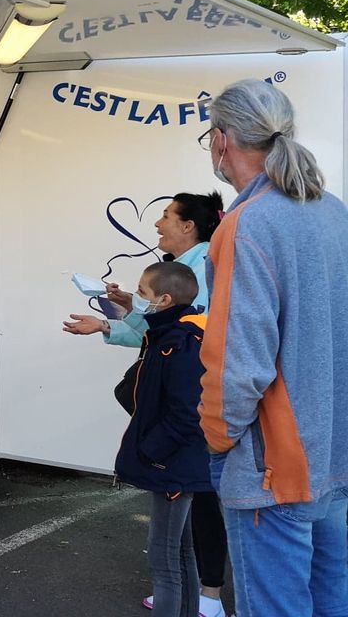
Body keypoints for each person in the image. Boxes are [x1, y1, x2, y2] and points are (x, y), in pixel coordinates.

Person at [198, 79, 348, 617]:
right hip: (331, 450)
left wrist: (216, 437)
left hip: (274, 465)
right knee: (332, 600)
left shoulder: (247, 223)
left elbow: (239, 364)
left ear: (222, 140)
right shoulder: (332, 210)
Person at [62, 192, 231, 617]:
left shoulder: (204, 271)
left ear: (188, 225)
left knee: (195, 514)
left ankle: (208, 597)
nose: (158, 223)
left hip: (182, 441)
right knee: (188, 526)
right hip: (183, 438)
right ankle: (200, 597)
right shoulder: (183, 278)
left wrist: (151, 452)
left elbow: (180, 332)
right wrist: (119, 313)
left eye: (166, 215)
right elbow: (157, 325)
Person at [114, 261, 211, 617]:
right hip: (179, 463)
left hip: (173, 463)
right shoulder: (173, 334)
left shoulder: (181, 343)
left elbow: (189, 414)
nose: (138, 299)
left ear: (164, 299)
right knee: (181, 553)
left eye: (142, 293)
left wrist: (151, 451)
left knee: (164, 561)